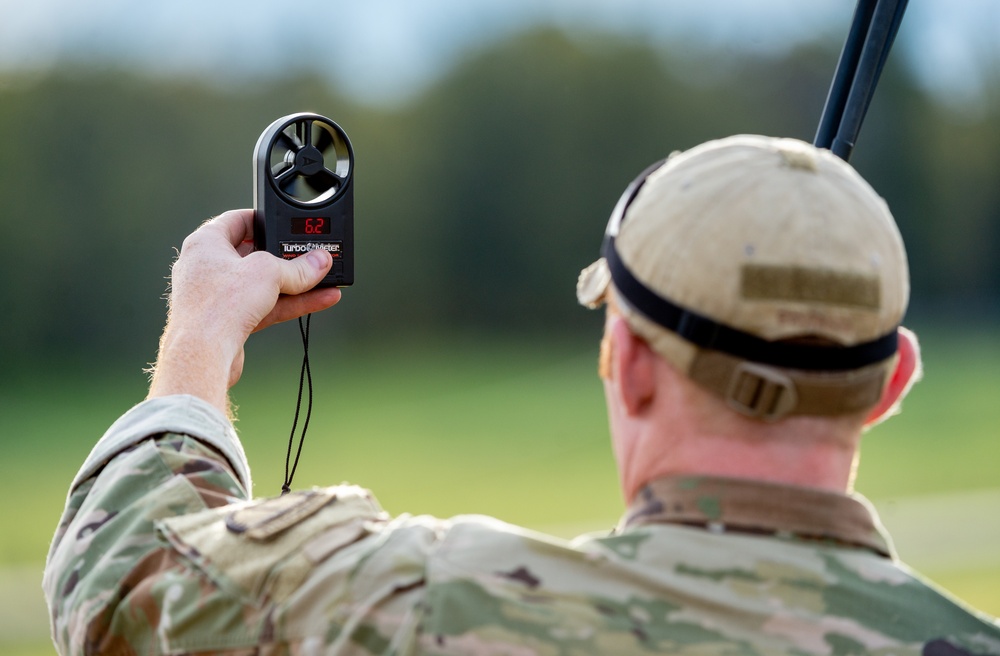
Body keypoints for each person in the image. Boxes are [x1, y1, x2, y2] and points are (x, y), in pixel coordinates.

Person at [44, 135, 1000, 655]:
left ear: (623, 362)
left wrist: (200, 336)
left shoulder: (427, 607)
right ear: (893, 382)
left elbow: (120, 580)